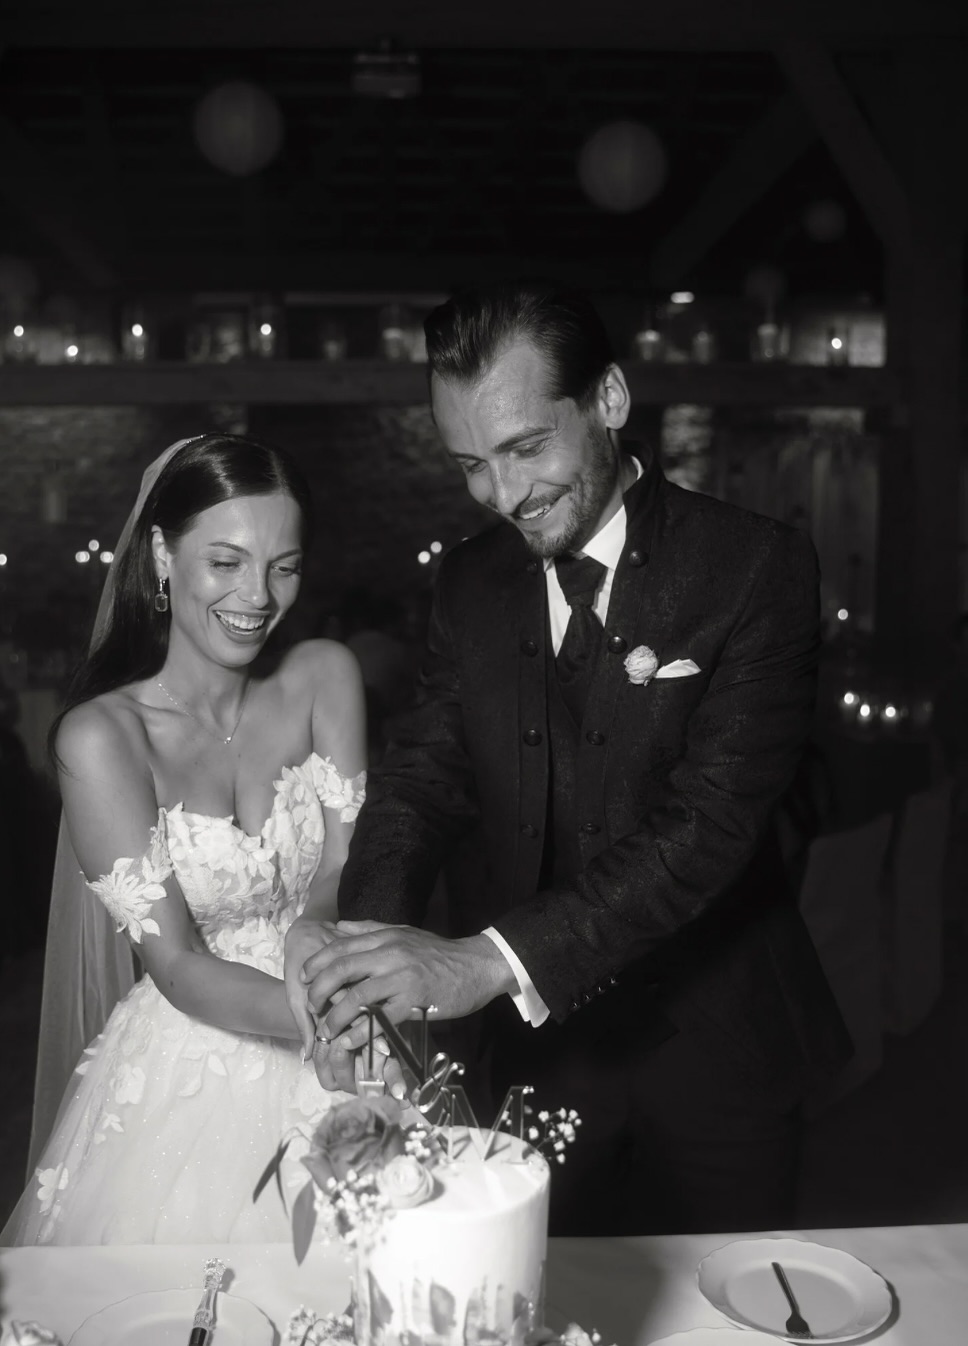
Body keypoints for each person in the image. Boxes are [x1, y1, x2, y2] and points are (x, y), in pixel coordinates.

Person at [301, 281, 852, 1237]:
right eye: (471, 464)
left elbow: (710, 825)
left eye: (525, 448)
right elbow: (420, 783)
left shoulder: (755, 567)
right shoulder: (470, 582)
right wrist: (367, 962)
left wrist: (487, 959)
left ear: (608, 400)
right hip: (537, 1059)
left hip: (720, 1044)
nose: (504, 496)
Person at [0, 433, 375, 1245]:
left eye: (285, 565)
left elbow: (347, 861)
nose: (260, 595)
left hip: (342, 997)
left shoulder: (323, 675)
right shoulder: (103, 738)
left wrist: (318, 941)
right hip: (196, 1059)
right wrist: (319, 1026)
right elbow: (174, 962)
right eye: (227, 561)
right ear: (163, 556)